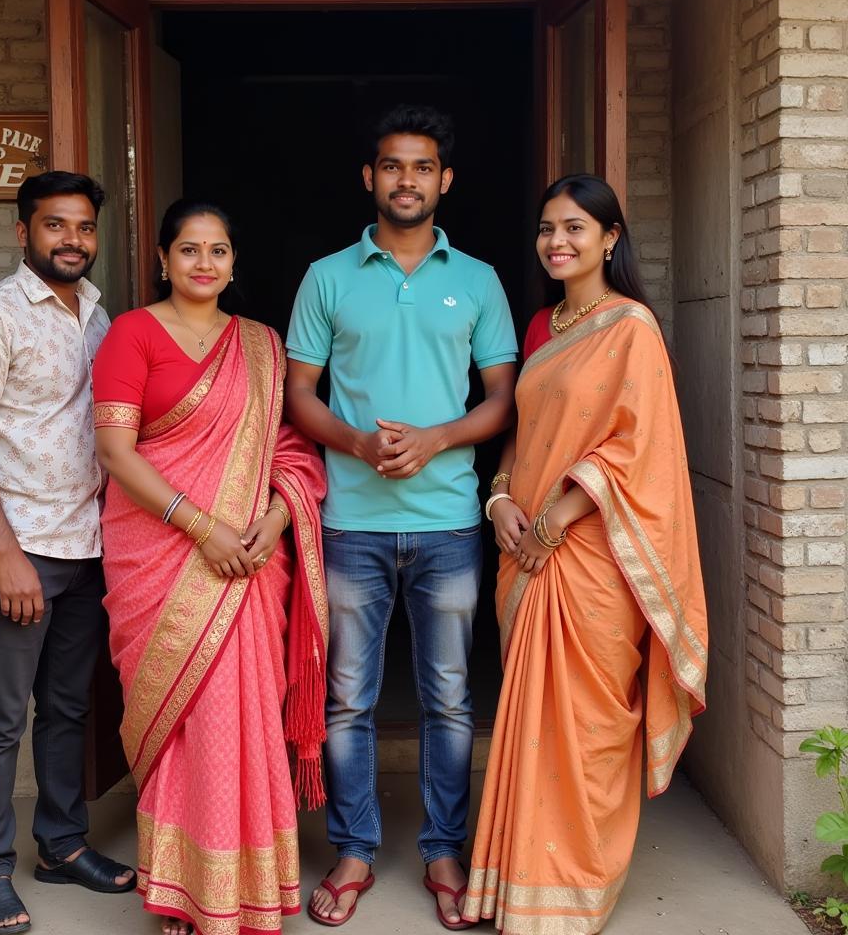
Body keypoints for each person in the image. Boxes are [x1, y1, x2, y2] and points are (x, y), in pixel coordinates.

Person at [285, 105, 518, 929]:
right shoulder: (327, 275)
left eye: (421, 167)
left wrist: (436, 439)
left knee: (449, 700)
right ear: (369, 178)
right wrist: (354, 439)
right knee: (348, 701)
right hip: (350, 522)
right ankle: (353, 850)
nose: (406, 180)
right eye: (391, 166)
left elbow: (502, 400)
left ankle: (444, 851)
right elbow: (298, 393)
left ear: (444, 180)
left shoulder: (480, 278)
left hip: (451, 520)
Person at [462, 174, 708, 934]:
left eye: (575, 228)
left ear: (610, 238)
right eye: (547, 229)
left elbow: (640, 447)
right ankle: (519, 881)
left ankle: (574, 890)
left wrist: (556, 519)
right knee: (531, 723)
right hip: (528, 549)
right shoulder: (542, 329)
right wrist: (500, 498)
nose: (557, 242)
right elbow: (520, 435)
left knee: (589, 728)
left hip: (595, 558)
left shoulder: (631, 327)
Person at [91, 199, 329, 935]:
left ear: (233, 263)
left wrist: (277, 519)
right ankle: (182, 893)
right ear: (162, 259)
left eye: (218, 250)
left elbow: (291, 450)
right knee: (184, 717)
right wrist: (203, 529)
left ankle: (245, 886)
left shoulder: (261, 344)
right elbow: (115, 452)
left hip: (250, 561)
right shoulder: (132, 334)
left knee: (243, 715)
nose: (203, 262)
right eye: (188, 249)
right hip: (158, 553)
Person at [0, 171, 136, 935]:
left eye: (84, 228)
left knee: (67, 708)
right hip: (20, 548)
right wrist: (5, 553)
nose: (73, 241)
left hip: (88, 544)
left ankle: (60, 845)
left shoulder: (96, 314)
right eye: (56, 226)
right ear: (24, 233)